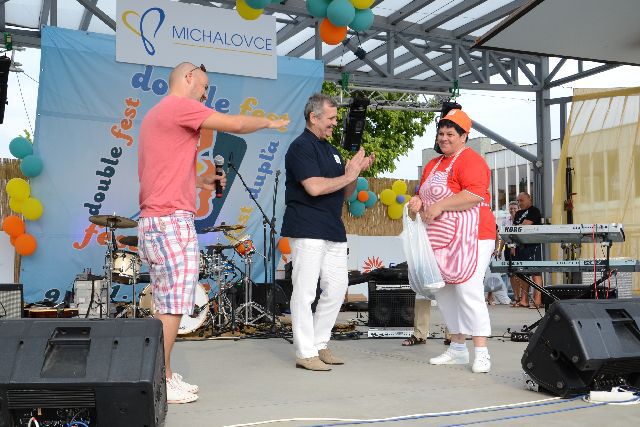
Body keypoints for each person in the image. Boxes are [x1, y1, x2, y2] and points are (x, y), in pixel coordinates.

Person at [137, 62, 289, 403]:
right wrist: (269, 122)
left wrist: (200, 181)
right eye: (204, 87)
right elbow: (236, 124)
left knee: (166, 305)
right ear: (188, 77)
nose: (205, 95)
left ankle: (163, 373)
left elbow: (160, 172)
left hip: (155, 221)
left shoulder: (156, 115)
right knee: (173, 306)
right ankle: (161, 379)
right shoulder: (179, 105)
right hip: (171, 222)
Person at [281, 93, 374, 371]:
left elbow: (344, 193)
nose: (335, 123)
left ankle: (319, 343)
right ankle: (305, 352)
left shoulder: (332, 150)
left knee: (337, 288)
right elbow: (314, 187)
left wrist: (354, 172)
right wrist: (348, 174)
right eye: (331, 118)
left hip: (333, 228)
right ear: (314, 117)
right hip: (307, 227)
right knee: (305, 292)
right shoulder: (300, 147)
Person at [407, 108, 496, 373]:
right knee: (443, 290)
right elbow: (425, 195)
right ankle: (458, 349)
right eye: (441, 133)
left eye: (450, 134)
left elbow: (475, 195)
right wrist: (418, 201)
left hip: (474, 234)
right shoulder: (433, 164)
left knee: (468, 288)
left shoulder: (472, 160)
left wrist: (440, 205)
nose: (444, 138)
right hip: (440, 236)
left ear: (464, 136)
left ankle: (482, 351)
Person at [511, 192, 544, 308]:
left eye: (521, 200)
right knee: (523, 274)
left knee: (535, 273)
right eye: (518, 201)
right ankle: (524, 300)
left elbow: (524, 226)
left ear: (529, 199)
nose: (519, 203)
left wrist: (518, 227)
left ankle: (537, 300)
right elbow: (514, 230)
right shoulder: (518, 213)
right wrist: (513, 246)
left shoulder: (534, 211)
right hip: (521, 246)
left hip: (533, 245)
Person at [488, 201, 518, 305]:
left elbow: (498, 238)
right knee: (509, 273)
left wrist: (496, 249)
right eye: (511, 208)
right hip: (506, 249)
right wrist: (500, 250)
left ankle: (519, 297)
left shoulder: (520, 220)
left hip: (518, 248)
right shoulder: (505, 221)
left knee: (518, 273)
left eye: (514, 208)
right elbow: (503, 238)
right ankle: (515, 296)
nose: (512, 210)